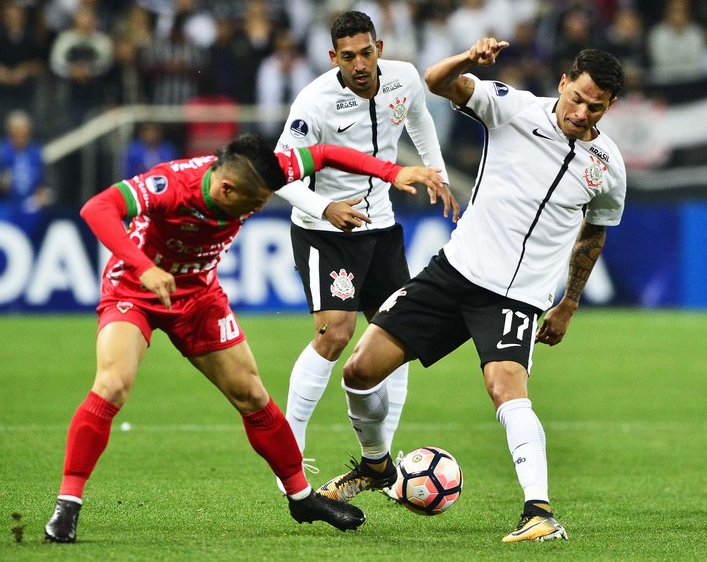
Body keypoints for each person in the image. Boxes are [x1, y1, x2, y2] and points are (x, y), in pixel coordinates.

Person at [43, 133, 445, 543]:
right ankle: (67, 506)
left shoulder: (262, 170)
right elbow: (98, 208)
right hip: (135, 289)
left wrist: (392, 172)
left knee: (252, 394)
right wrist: (144, 267)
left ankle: (301, 498)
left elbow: (324, 154)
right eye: (252, 203)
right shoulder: (171, 184)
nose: (256, 209)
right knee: (113, 384)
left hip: (198, 297)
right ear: (225, 188)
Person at [317, 41, 627, 544]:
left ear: (609, 106)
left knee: (506, 387)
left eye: (596, 107)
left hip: (516, 296)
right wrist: (468, 59)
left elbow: (594, 232)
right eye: (578, 98)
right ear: (564, 83)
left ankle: (539, 512)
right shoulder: (511, 108)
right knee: (359, 370)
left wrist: (569, 302)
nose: (581, 113)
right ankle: (375, 466)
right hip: (455, 272)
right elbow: (435, 82)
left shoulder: (609, 167)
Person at [273, 11, 459, 477]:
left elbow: (419, 120)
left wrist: (436, 173)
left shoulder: (404, 78)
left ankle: (383, 459)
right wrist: (324, 207)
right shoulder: (314, 102)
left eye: (366, 53)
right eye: (348, 57)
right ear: (333, 57)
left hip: (382, 227)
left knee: (395, 336)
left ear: (379, 48)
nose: (359, 65)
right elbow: (279, 172)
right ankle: (288, 453)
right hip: (326, 232)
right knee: (335, 333)